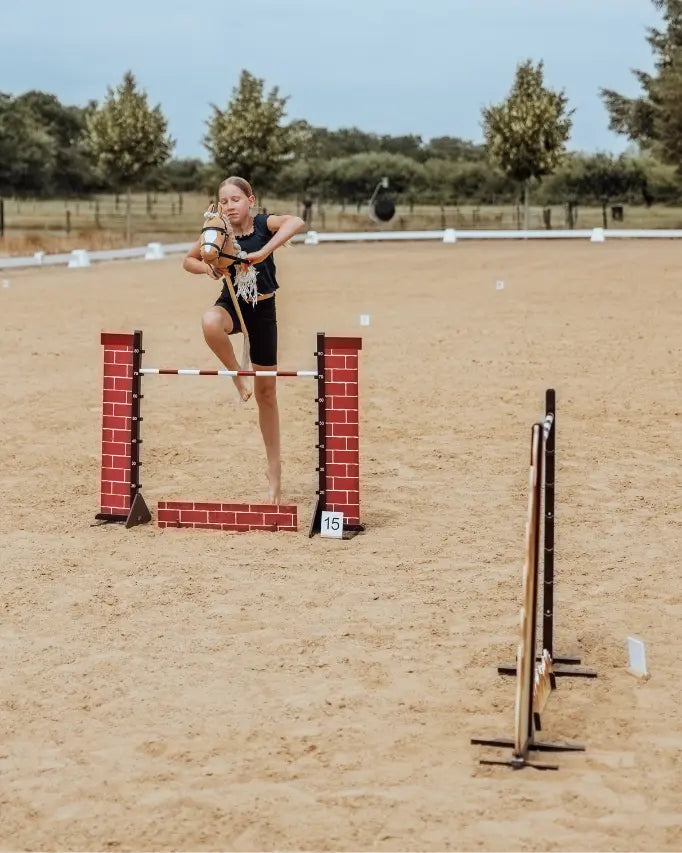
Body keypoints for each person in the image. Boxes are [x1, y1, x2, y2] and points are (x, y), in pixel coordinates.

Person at [182, 176, 305, 504]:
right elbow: (189, 260)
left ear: (251, 200)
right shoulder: (217, 228)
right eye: (223, 201)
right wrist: (207, 269)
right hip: (232, 306)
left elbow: (297, 221)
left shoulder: (265, 223)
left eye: (235, 199)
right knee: (209, 322)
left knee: (267, 394)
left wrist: (264, 252)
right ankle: (236, 375)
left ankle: (274, 469)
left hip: (263, 312)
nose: (229, 205)